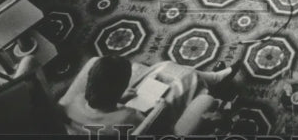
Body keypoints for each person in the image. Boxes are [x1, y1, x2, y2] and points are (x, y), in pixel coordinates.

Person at [59, 54, 240, 135]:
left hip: (108, 117)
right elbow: (151, 126)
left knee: (161, 71)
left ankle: (213, 78)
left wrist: (120, 99)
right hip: (154, 122)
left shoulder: (73, 103)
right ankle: (213, 82)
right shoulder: (127, 117)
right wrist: (159, 108)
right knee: (181, 76)